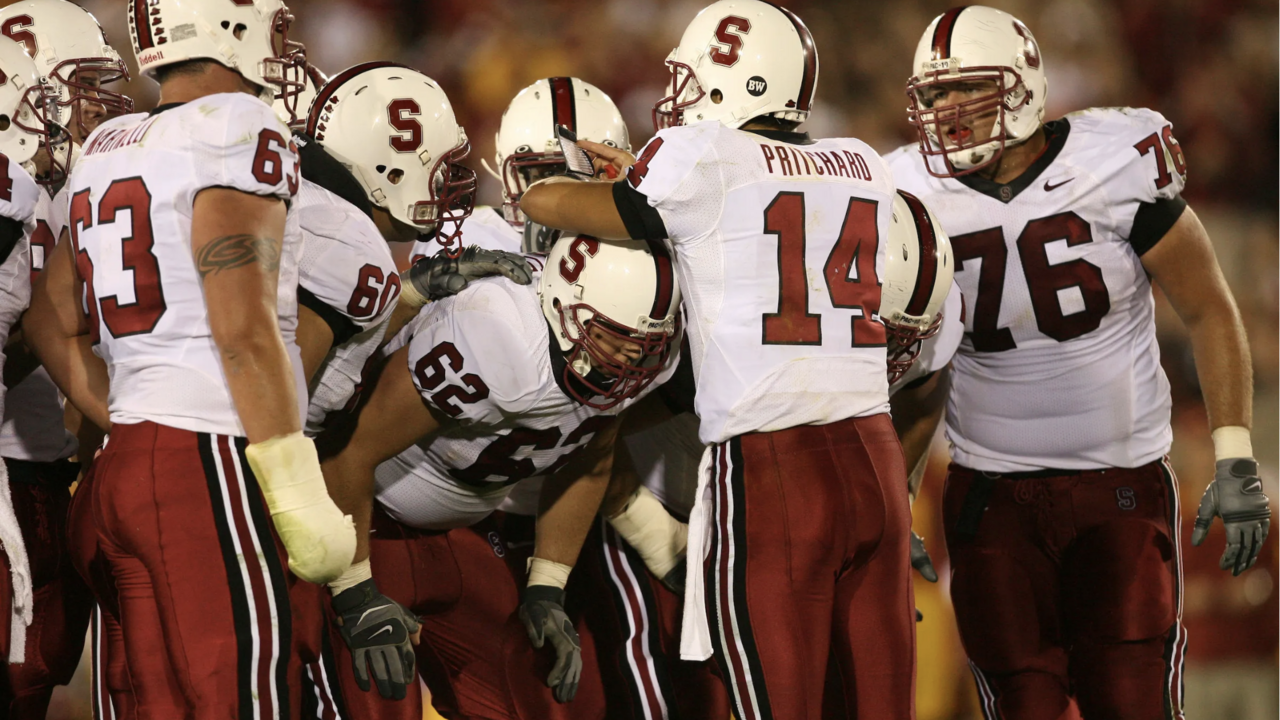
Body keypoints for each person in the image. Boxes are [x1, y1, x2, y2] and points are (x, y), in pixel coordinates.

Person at [521, 1, 916, 717]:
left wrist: (550, 187)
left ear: (743, 80)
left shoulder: (699, 159)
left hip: (773, 466)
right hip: (877, 462)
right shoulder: (863, 163)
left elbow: (567, 205)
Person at [886, 7, 1266, 719]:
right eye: (932, 96)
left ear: (1023, 87)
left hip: (1118, 489)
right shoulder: (907, 189)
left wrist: (1234, 453)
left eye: (965, 88)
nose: (946, 112)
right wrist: (895, 495)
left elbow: (1209, 306)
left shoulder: (1113, 159)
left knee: (1134, 703)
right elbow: (923, 368)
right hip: (990, 498)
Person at [24, 0, 360, 717]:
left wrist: (128, 416)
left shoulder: (110, 141)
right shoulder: (238, 124)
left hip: (123, 471)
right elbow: (240, 326)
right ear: (222, 29)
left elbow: (50, 319)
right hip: (208, 461)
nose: (281, 42)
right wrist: (295, 483)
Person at [586, 188, 958, 720]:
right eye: (878, 332)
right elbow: (593, 426)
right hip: (669, 499)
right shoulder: (728, 308)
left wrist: (896, 496)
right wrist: (650, 530)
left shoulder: (929, 305)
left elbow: (925, 387)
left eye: (902, 338)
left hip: (791, 511)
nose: (890, 354)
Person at [315, 236, 681, 718]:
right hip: (365, 522)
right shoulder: (497, 331)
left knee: (527, 700)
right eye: (618, 337)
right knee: (373, 694)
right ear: (564, 306)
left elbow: (590, 458)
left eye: (646, 344)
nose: (633, 360)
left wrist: (548, 585)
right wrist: (355, 591)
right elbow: (347, 452)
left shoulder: (630, 358)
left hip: (468, 529)